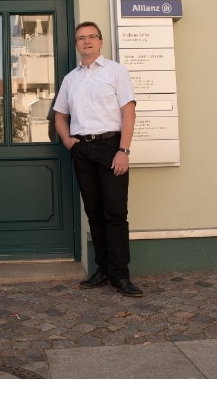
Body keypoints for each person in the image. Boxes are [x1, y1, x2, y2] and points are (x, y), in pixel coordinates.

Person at [53, 21, 142, 297]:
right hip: (82, 150)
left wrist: (123, 150)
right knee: (94, 211)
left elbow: (129, 112)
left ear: (100, 42)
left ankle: (120, 274)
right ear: (76, 44)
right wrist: (68, 141)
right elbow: (60, 115)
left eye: (92, 37)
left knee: (115, 212)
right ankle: (103, 269)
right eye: (81, 38)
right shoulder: (71, 79)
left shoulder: (116, 71)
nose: (87, 41)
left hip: (111, 147)